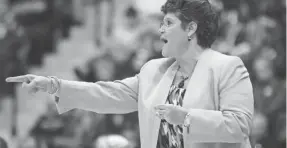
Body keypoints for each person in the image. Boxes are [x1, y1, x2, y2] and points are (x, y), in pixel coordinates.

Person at [6, 0, 254, 148]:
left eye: (168, 23)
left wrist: (187, 117)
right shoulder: (154, 70)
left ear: (191, 29)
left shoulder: (228, 67)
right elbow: (107, 94)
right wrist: (53, 85)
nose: (160, 29)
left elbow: (239, 126)